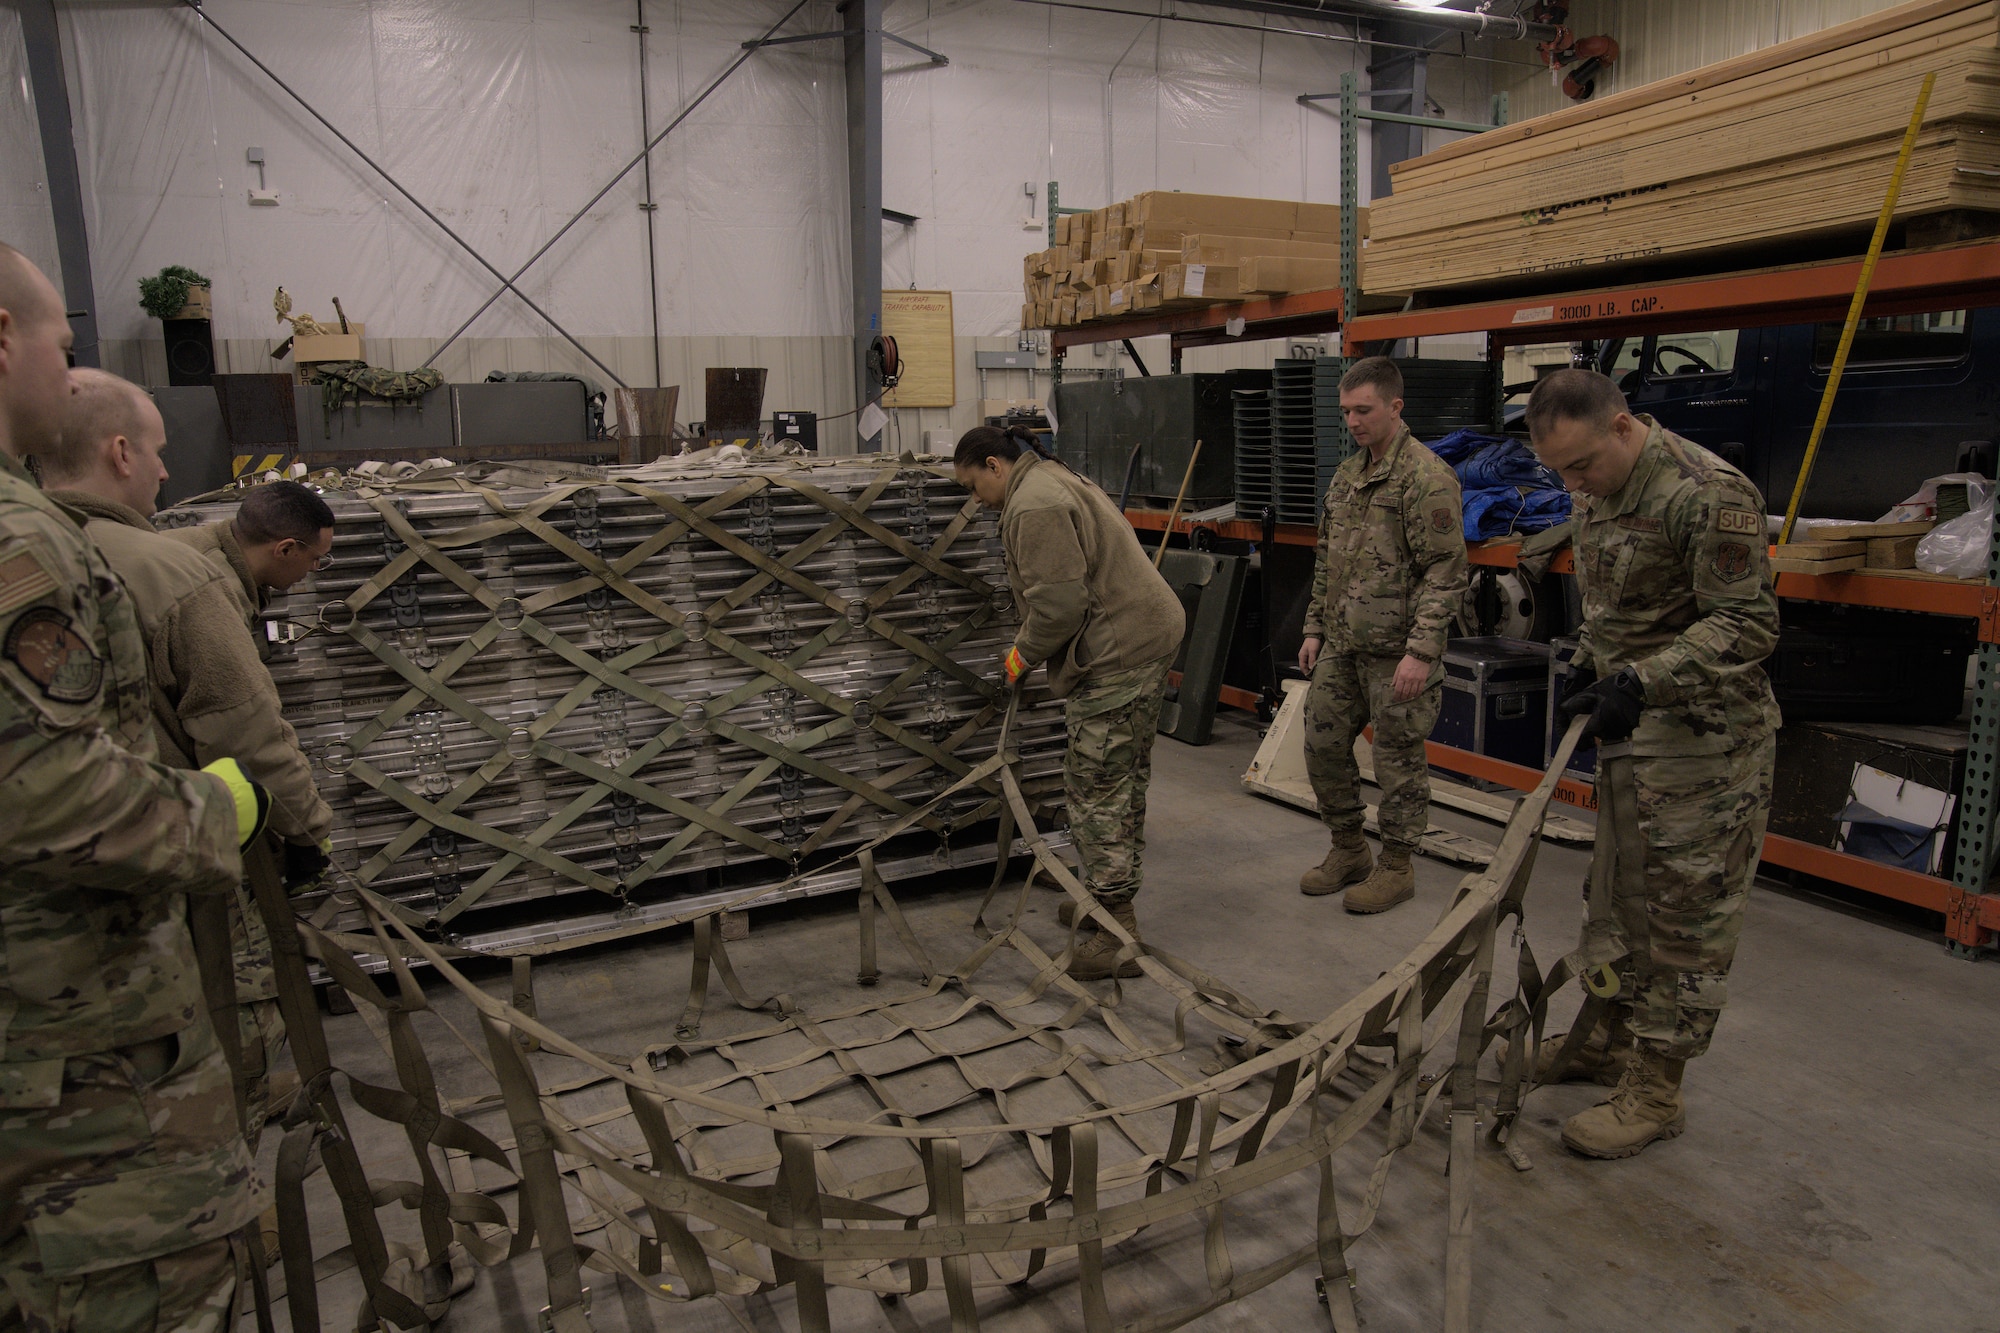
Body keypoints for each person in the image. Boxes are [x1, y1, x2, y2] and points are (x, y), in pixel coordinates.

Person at [0, 243, 271, 1330]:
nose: (64, 372)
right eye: (62, 345)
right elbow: (47, 791)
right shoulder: (24, 548)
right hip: (76, 1054)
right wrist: (225, 810)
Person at [40, 368, 334, 1141]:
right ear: (120, 452)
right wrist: (312, 836)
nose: (170, 470)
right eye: (160, 452)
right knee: (234, 1031)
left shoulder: (43, 551)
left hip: (61, 894)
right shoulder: (174, 575)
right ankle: (240, 1216)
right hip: (177, 861)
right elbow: (249, 734)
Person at [1525, 367, 1780, 1160]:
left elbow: (1747, 623)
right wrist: (1592, 660)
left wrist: (1643, 678)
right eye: (1560, 473)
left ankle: (1657, 1086)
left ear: (1624, 427)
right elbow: (1615, 605)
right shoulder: (1594, 487)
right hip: (1637, 738)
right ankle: (1604, 1040)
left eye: (1582, 466)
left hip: (1709, 748)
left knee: (1682, 921)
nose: (1574, 486)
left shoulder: (1707, 494)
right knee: (1615, 902)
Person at [953, 424, 1185, 981]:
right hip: (1143, 636)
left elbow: (1058, 608)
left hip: (1121, 652)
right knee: (1121, 778)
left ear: (994, 465)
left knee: (1096, 789)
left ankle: (1117, 932)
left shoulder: (1033, 505)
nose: (973, 500)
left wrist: (1019, 657)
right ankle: (1105, 900)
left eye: (972, 485)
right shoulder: (1049, 476)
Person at [1296, 356, 1467, 914]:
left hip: (1397, 655)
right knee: (1321, 748)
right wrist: (1314, 629)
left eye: (1363, 410)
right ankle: (1349, 850)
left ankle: (1397, 866)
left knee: (1396, 763)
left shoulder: (1426, 477)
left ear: (1395, 407)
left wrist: (1422, 652)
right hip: (1343, 646)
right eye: (1345, 411)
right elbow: (1327, 561)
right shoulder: (1348, 477)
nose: (1353, 421)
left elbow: (1446, 572)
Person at [165, 479, 334, 639]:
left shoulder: (201, 540)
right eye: (315, 558)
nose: (315, 567)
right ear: (285, 550)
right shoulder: (218, 598)